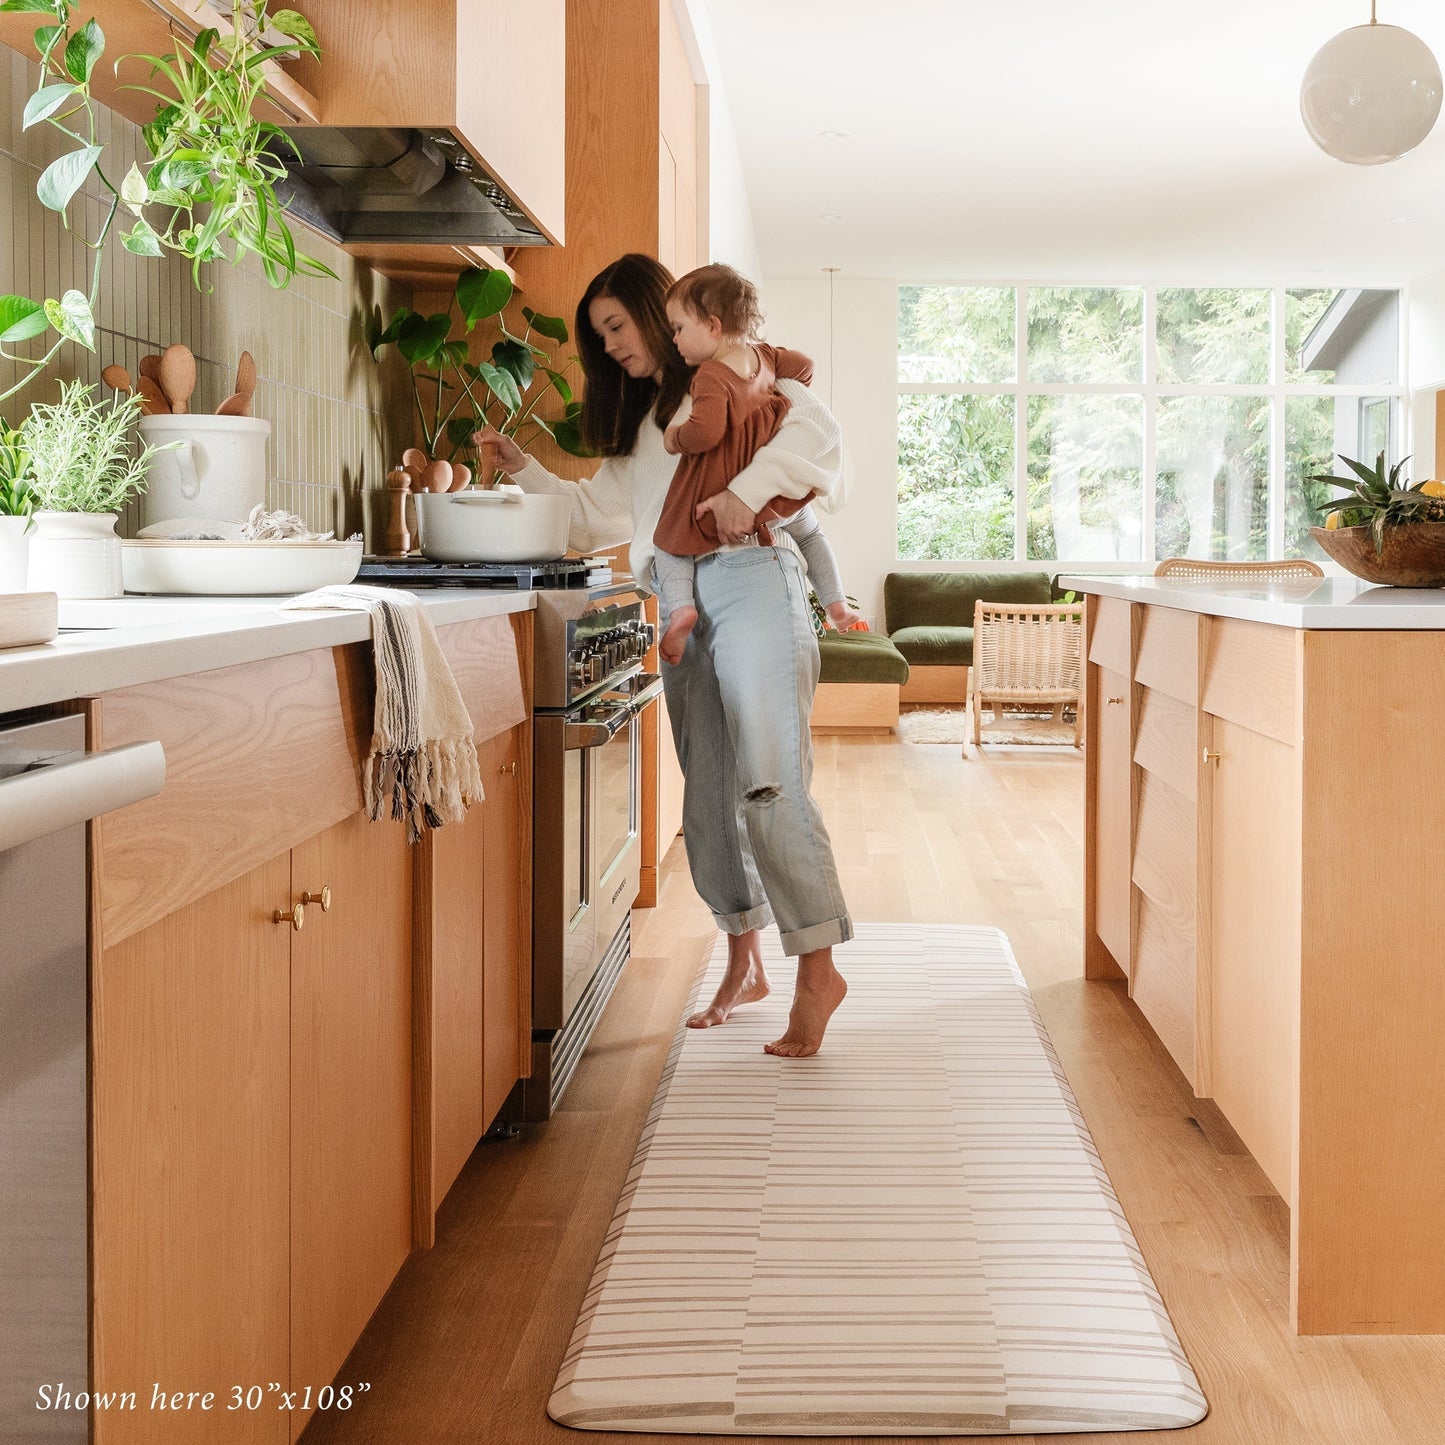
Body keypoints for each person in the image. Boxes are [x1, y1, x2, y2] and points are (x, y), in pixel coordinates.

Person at [475, 252, 851, 1058]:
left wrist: (745, 492)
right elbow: (589, 517)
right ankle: (744, 959)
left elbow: (821, 439)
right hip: (678, 598)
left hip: (752, 578)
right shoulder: (649, 426)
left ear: (660, 314)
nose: (610, 345)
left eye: (617, 326)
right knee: (707, 795)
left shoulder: (742, 373)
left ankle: (818, 969)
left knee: (769, 781)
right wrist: (523, 468)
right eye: (600, 336)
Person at [653, 263, 860, 664]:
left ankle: (681, 609)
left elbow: (707, 432)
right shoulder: (763, 358)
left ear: (713, 325)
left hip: (718, 483)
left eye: (678, 328)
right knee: (811, 534)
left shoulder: (710, 376)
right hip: (769, 493)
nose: (674, 339)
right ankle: (835, 602)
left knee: (667, 541)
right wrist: (770, 383)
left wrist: (674, 437)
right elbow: (805, 365)